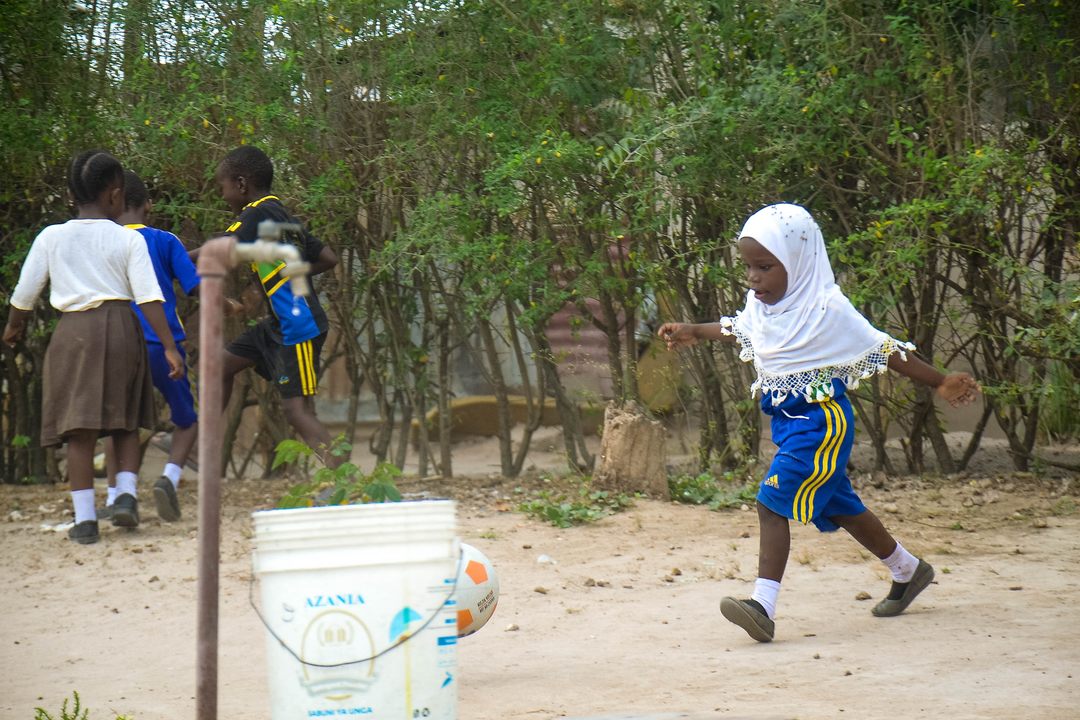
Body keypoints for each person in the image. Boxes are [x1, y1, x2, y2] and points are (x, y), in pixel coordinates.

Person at [658, 203, 979, 642]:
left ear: (799, 263)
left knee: (771, 502)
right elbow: (742, 329)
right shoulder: (764, 307)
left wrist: (939, 380)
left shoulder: (828, 308)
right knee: (840, 506)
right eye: (749, 267)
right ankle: (908, 570)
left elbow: (882, 348)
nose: (753, 278)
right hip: (789, 422)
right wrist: (696, 330)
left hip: (821, 422)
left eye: (765, 267)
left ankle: (762, 606)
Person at [3, 150, 183, 545]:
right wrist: (170, 347)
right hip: (121, 330)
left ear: (71, 194)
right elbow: (149, 298)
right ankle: (126, 497)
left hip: (73, 335)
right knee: (125, 421)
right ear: (116, 194)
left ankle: (85, 521)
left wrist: (14, 327)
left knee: (78, 429)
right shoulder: (128, 239)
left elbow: (25, 294)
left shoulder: (51, 237)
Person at [212, 146, 341, 467]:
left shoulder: (257, 213)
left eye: (223, 187)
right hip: (278, 324)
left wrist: (170, 260)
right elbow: (328, 258)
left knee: (297, 411)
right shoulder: (282, 217)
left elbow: (217, 250)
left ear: (241, 184)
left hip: (298, 325)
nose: (223, 196)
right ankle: (201, 443)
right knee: (221, 366)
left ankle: (346, 480)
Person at [101, 170, 200, 522]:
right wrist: (227, 302)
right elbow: (196, 287)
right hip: (163, 345)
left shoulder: (105, 242)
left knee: (119, 424)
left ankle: (116, 496)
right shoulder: (164, 240)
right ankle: (168, 479)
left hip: (119, 345)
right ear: (149, 205)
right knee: (187, 420)